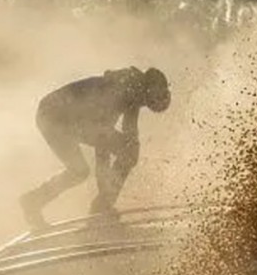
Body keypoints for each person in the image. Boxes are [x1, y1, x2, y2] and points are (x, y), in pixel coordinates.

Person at [19, 67, 171, 231]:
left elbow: (130, 136)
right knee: (122, 152)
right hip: (55, 115)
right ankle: (101, 208)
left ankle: (33, 200)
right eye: (152, 99)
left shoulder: (134, 91)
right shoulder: (122, 90)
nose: (146, 104)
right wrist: (103, 203)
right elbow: (103, 146)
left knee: (79, 171)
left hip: (53, 115)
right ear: (147, 88)